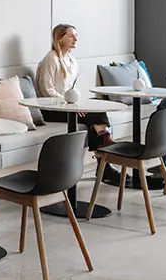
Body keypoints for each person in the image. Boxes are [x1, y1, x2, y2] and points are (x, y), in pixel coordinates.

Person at [35, 24, 123, 185]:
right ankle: (104, 155)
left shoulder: (72, 60)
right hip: (51, 108)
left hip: (68, 106)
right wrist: (71, 106)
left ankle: (104, 160)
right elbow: (46, 90)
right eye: (71, 36)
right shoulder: (51, 58)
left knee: (97, 111)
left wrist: (78, 105)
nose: (75, 39)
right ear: (60, 39)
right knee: (95, 117)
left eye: (76, 35)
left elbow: (74, 89)